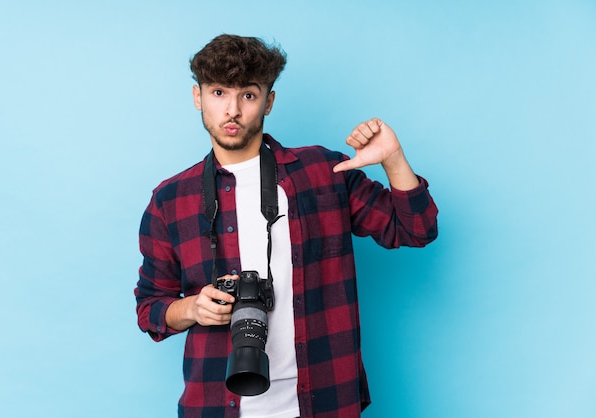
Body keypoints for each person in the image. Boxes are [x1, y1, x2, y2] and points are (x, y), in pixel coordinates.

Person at [135, 34, 438, 418]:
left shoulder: (323, 172)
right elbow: (150, 308)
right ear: (197, 97)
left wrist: (393, 159)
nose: (232, 110)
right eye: (218, 93)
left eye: (247, 95)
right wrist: (194, 308)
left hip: (324, 399)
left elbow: (416, 229)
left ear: (268, 101)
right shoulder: (170, 200)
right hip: (216, 405)